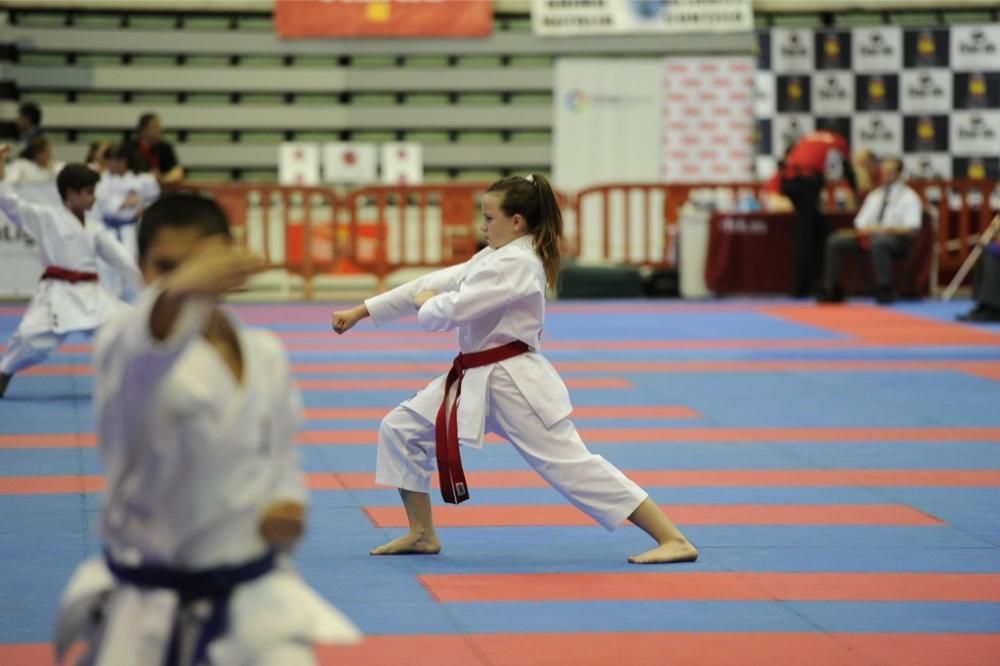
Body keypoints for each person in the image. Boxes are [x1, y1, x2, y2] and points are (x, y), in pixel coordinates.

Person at [53, 193, 361, 665]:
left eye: (195, 263)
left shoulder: (265, 353)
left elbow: (281, 458)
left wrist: (288, 502)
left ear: (224, 257)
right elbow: (149, 334)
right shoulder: (124, 346)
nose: (182, 278)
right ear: (141, 268)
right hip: (147, 613)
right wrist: (177, 289)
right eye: (165, 266)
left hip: (254, 599)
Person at [331, 174, 698, 565]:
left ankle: (672, 538)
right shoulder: (495, 256)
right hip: (475, 376)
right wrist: (363, 310)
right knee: (400, 429)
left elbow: (449, 311)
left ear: (517, 221)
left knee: (571, 466)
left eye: (489, 218)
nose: (482, 225)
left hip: (513, 381)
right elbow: (435, 282)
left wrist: (426, 303)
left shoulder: (517, 264)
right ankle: (422, 533)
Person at [0, 145, 141, 399]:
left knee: (130, 325)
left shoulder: (94, 227)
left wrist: (151, 282)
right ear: (71, 194)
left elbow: (122, 260)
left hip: (93, 294)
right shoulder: (46, 218)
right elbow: (10, 203)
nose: (94, 198)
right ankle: (4, 371)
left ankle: (134, 379)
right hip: (57, 294)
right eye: (89, 193)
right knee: (31, 340)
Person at [818, 157, 923, 305]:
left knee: (880, 244)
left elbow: (913, 228)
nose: (886, 176)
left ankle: (884, 288)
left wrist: (889, 230)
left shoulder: (909, 197)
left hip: (896, 240)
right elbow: (860, 223)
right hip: (869, 237)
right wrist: (869, 230)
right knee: (835, 241)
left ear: (899, 174)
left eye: (891, 173)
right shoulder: (875, 195)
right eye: (884, 172)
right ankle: (833, 289)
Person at [779, 129, 857, 297]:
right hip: (805, 182)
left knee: (819, 229)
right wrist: (855, 190)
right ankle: (802, 286)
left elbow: (791, 162)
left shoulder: (810, 138)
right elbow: (846, 168)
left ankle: (817, 281)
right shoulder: (838, 141)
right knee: (805, 235)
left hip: (791, 181)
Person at [94, 142, 161, 299]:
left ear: (126, 161)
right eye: (110, 160)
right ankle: (109, 304)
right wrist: (125, 202)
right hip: (108, 229)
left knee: (131, 267)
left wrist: (141, 206)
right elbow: (104, 205)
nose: (113, 164)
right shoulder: (102, 180)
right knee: (107, 268)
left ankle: (136, 303)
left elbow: (152, 198)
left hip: (130, 229)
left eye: (117, 160)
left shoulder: (142, 179)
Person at [128, 112, 184, 187]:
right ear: (144, 130)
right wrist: (149, 178)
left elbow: (177, 172)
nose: (160, 130)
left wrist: (162, 180)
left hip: (161, 191)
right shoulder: (130, 148)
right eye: (156, 127)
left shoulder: (165, 148)